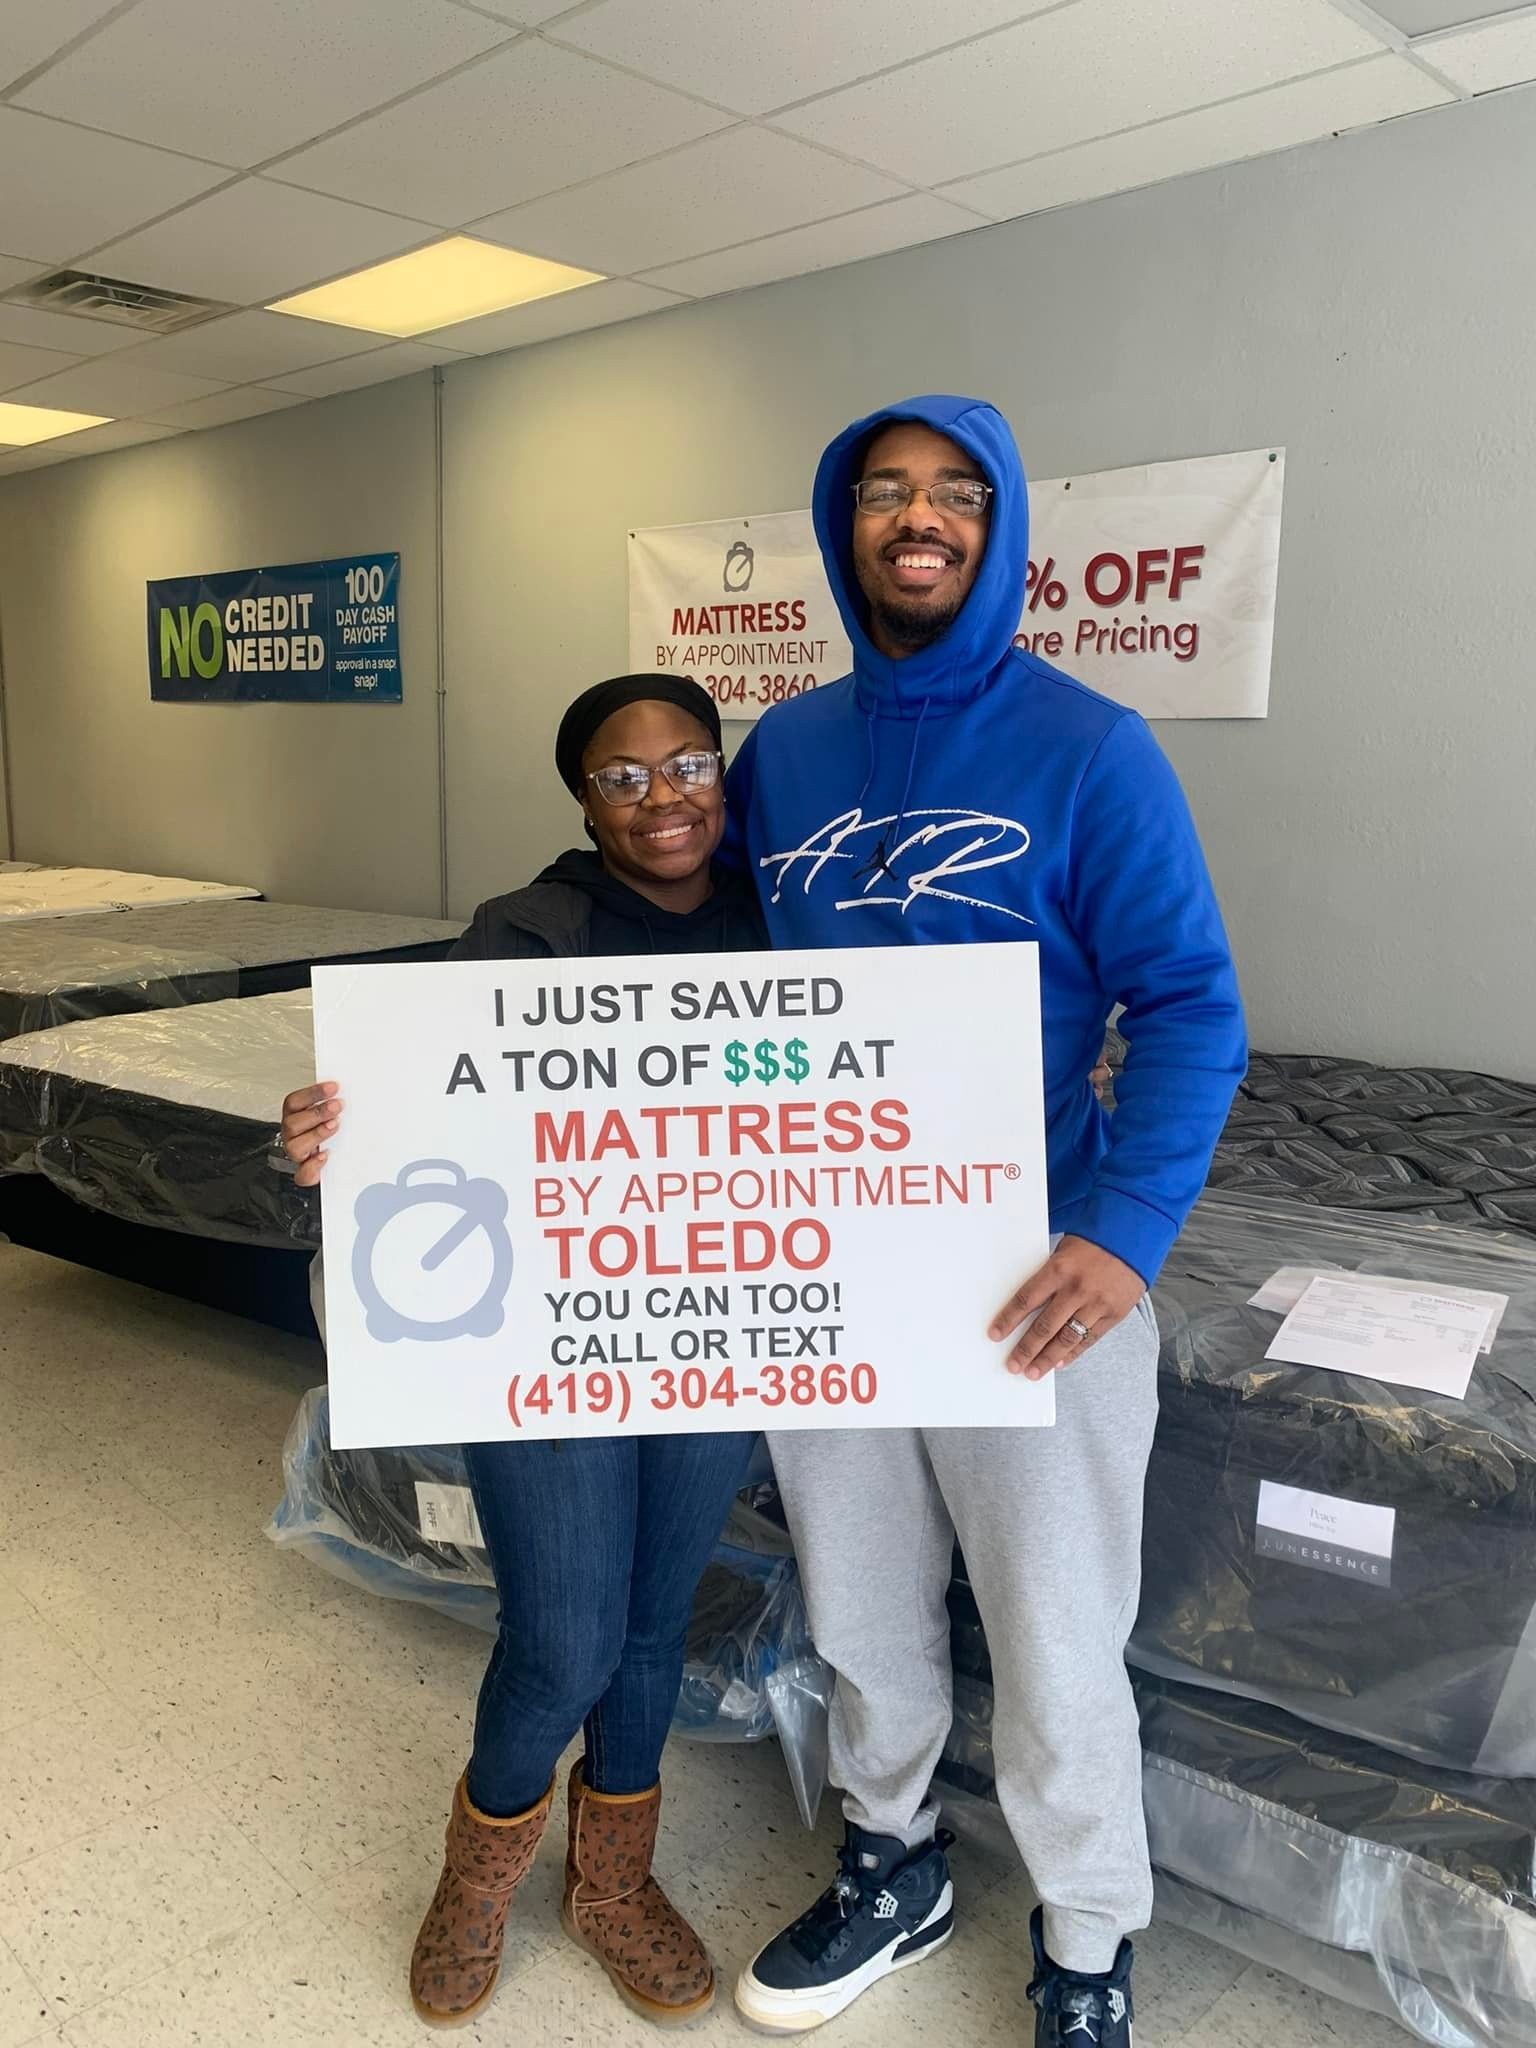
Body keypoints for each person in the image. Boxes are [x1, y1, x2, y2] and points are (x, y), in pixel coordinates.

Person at [724, 398, 1247, 2047]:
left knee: (1056, 1637)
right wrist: (424, 1091)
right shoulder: (785, 750)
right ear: (844, 527)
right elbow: (692, 985)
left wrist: (1127, 1225)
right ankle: (894, 1861)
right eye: (885, 493)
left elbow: (1189, 1005)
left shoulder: (1093, 748)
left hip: (1036, 1274)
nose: (918, 518)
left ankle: (1089, 1940)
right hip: (836, 1265)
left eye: (955, 494)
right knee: (862, 1605)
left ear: (1002, 527)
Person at [278, 675, 766, 2030]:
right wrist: (333, 1144)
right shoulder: (523, 931)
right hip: (544, 1341)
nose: (663, 797)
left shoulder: (782, 924)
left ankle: (609, 1889)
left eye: (689, 764)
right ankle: (481, 1872)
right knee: (562, 1641)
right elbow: (423, 1122)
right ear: (582, 797)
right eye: (624, 775)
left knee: (654, 1633)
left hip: (715, 1332)